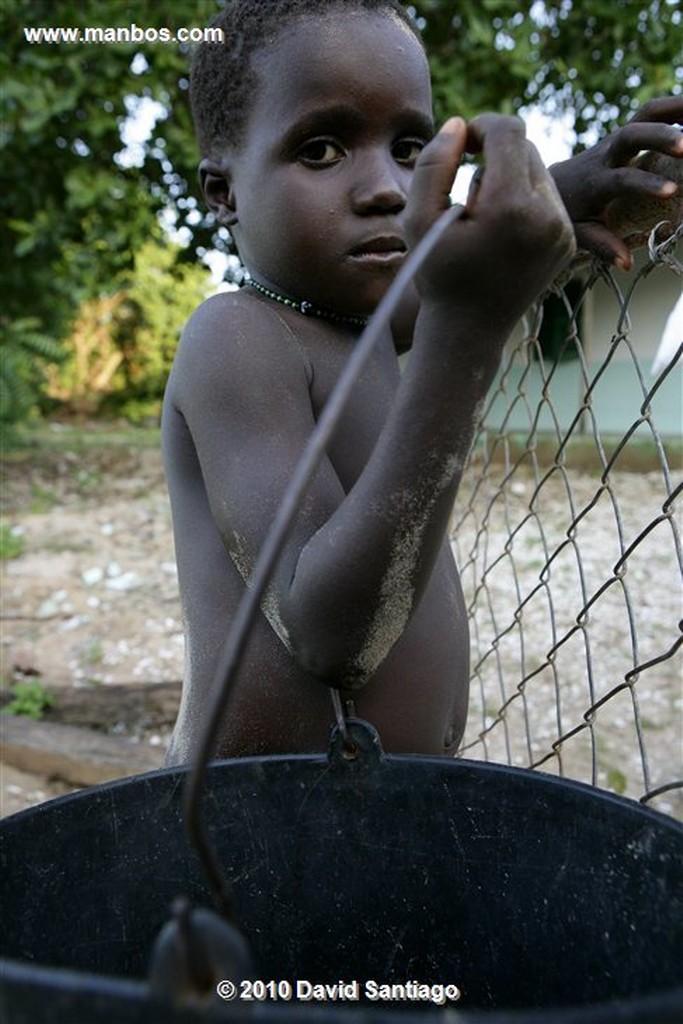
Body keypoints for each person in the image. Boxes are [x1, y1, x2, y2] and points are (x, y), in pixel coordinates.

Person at [162, 0, 682, 764]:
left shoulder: (360, 321)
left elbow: (451, 277)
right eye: (320, 150)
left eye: (410, 147)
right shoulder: (237, 339)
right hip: (263, 830)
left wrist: (574, 194)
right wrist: (467, 332)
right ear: (223, 192)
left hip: (384, 813)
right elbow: (331, 637)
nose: (385, 188)